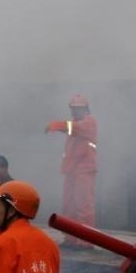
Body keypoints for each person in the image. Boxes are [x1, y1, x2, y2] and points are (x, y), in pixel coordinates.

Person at [45, 94, 99, 233]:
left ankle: (85, 241)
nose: (74, 111)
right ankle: (70, 239)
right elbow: (71, 128)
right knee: (69, 206)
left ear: (85, 109)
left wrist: (55, 125)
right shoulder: (75, 124)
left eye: (78, 108)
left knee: (83, 207)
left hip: (84, 170)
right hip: (72, 170)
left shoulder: (89, 122)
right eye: (73, 108)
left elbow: (74, 128)